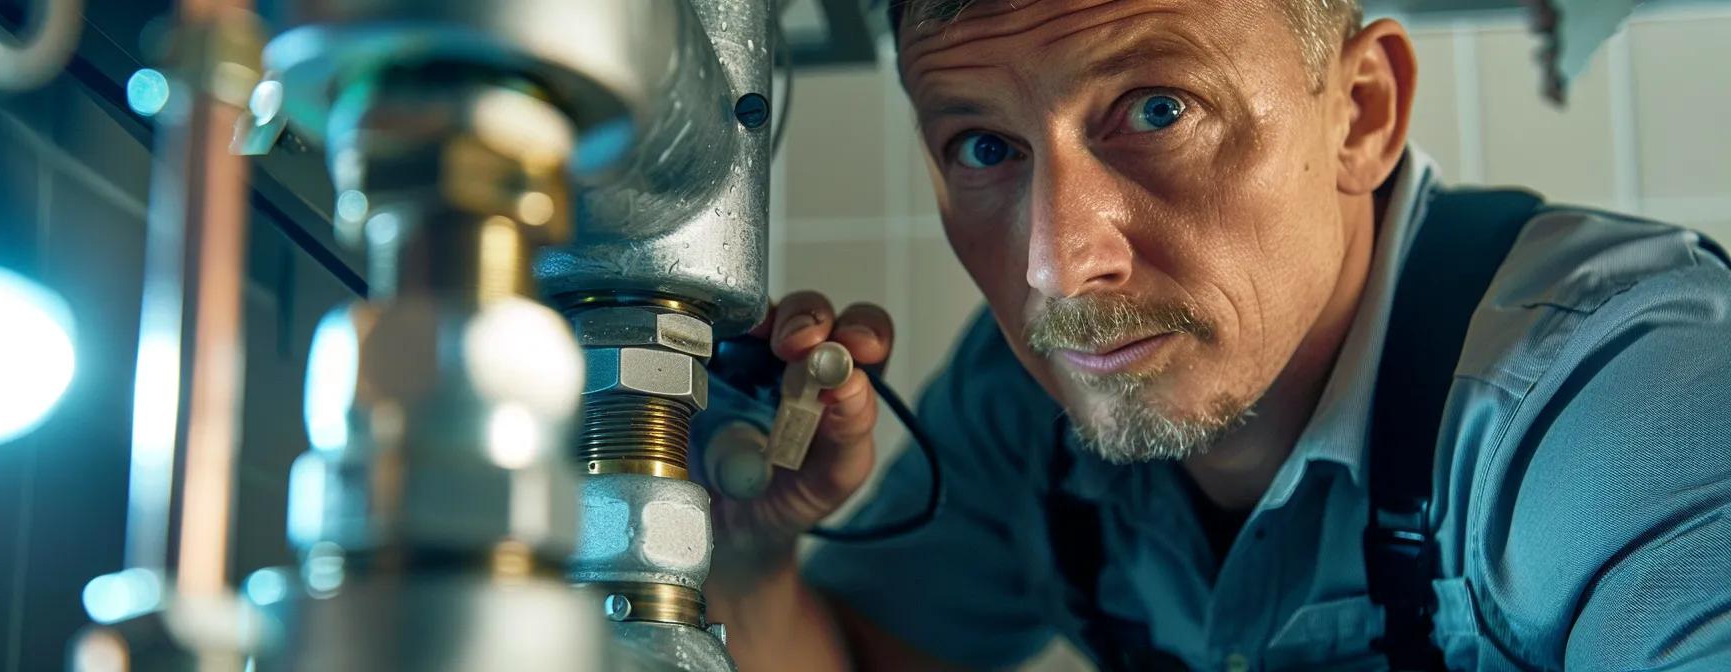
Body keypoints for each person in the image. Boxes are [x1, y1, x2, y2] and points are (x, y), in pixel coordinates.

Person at [701, 0, 1731, 669]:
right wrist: (748, 550)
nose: (1056, 265)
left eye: (1155, 110)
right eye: (984, 147)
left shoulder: (1624, 398)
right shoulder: (1022, 406)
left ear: (1361, 114)